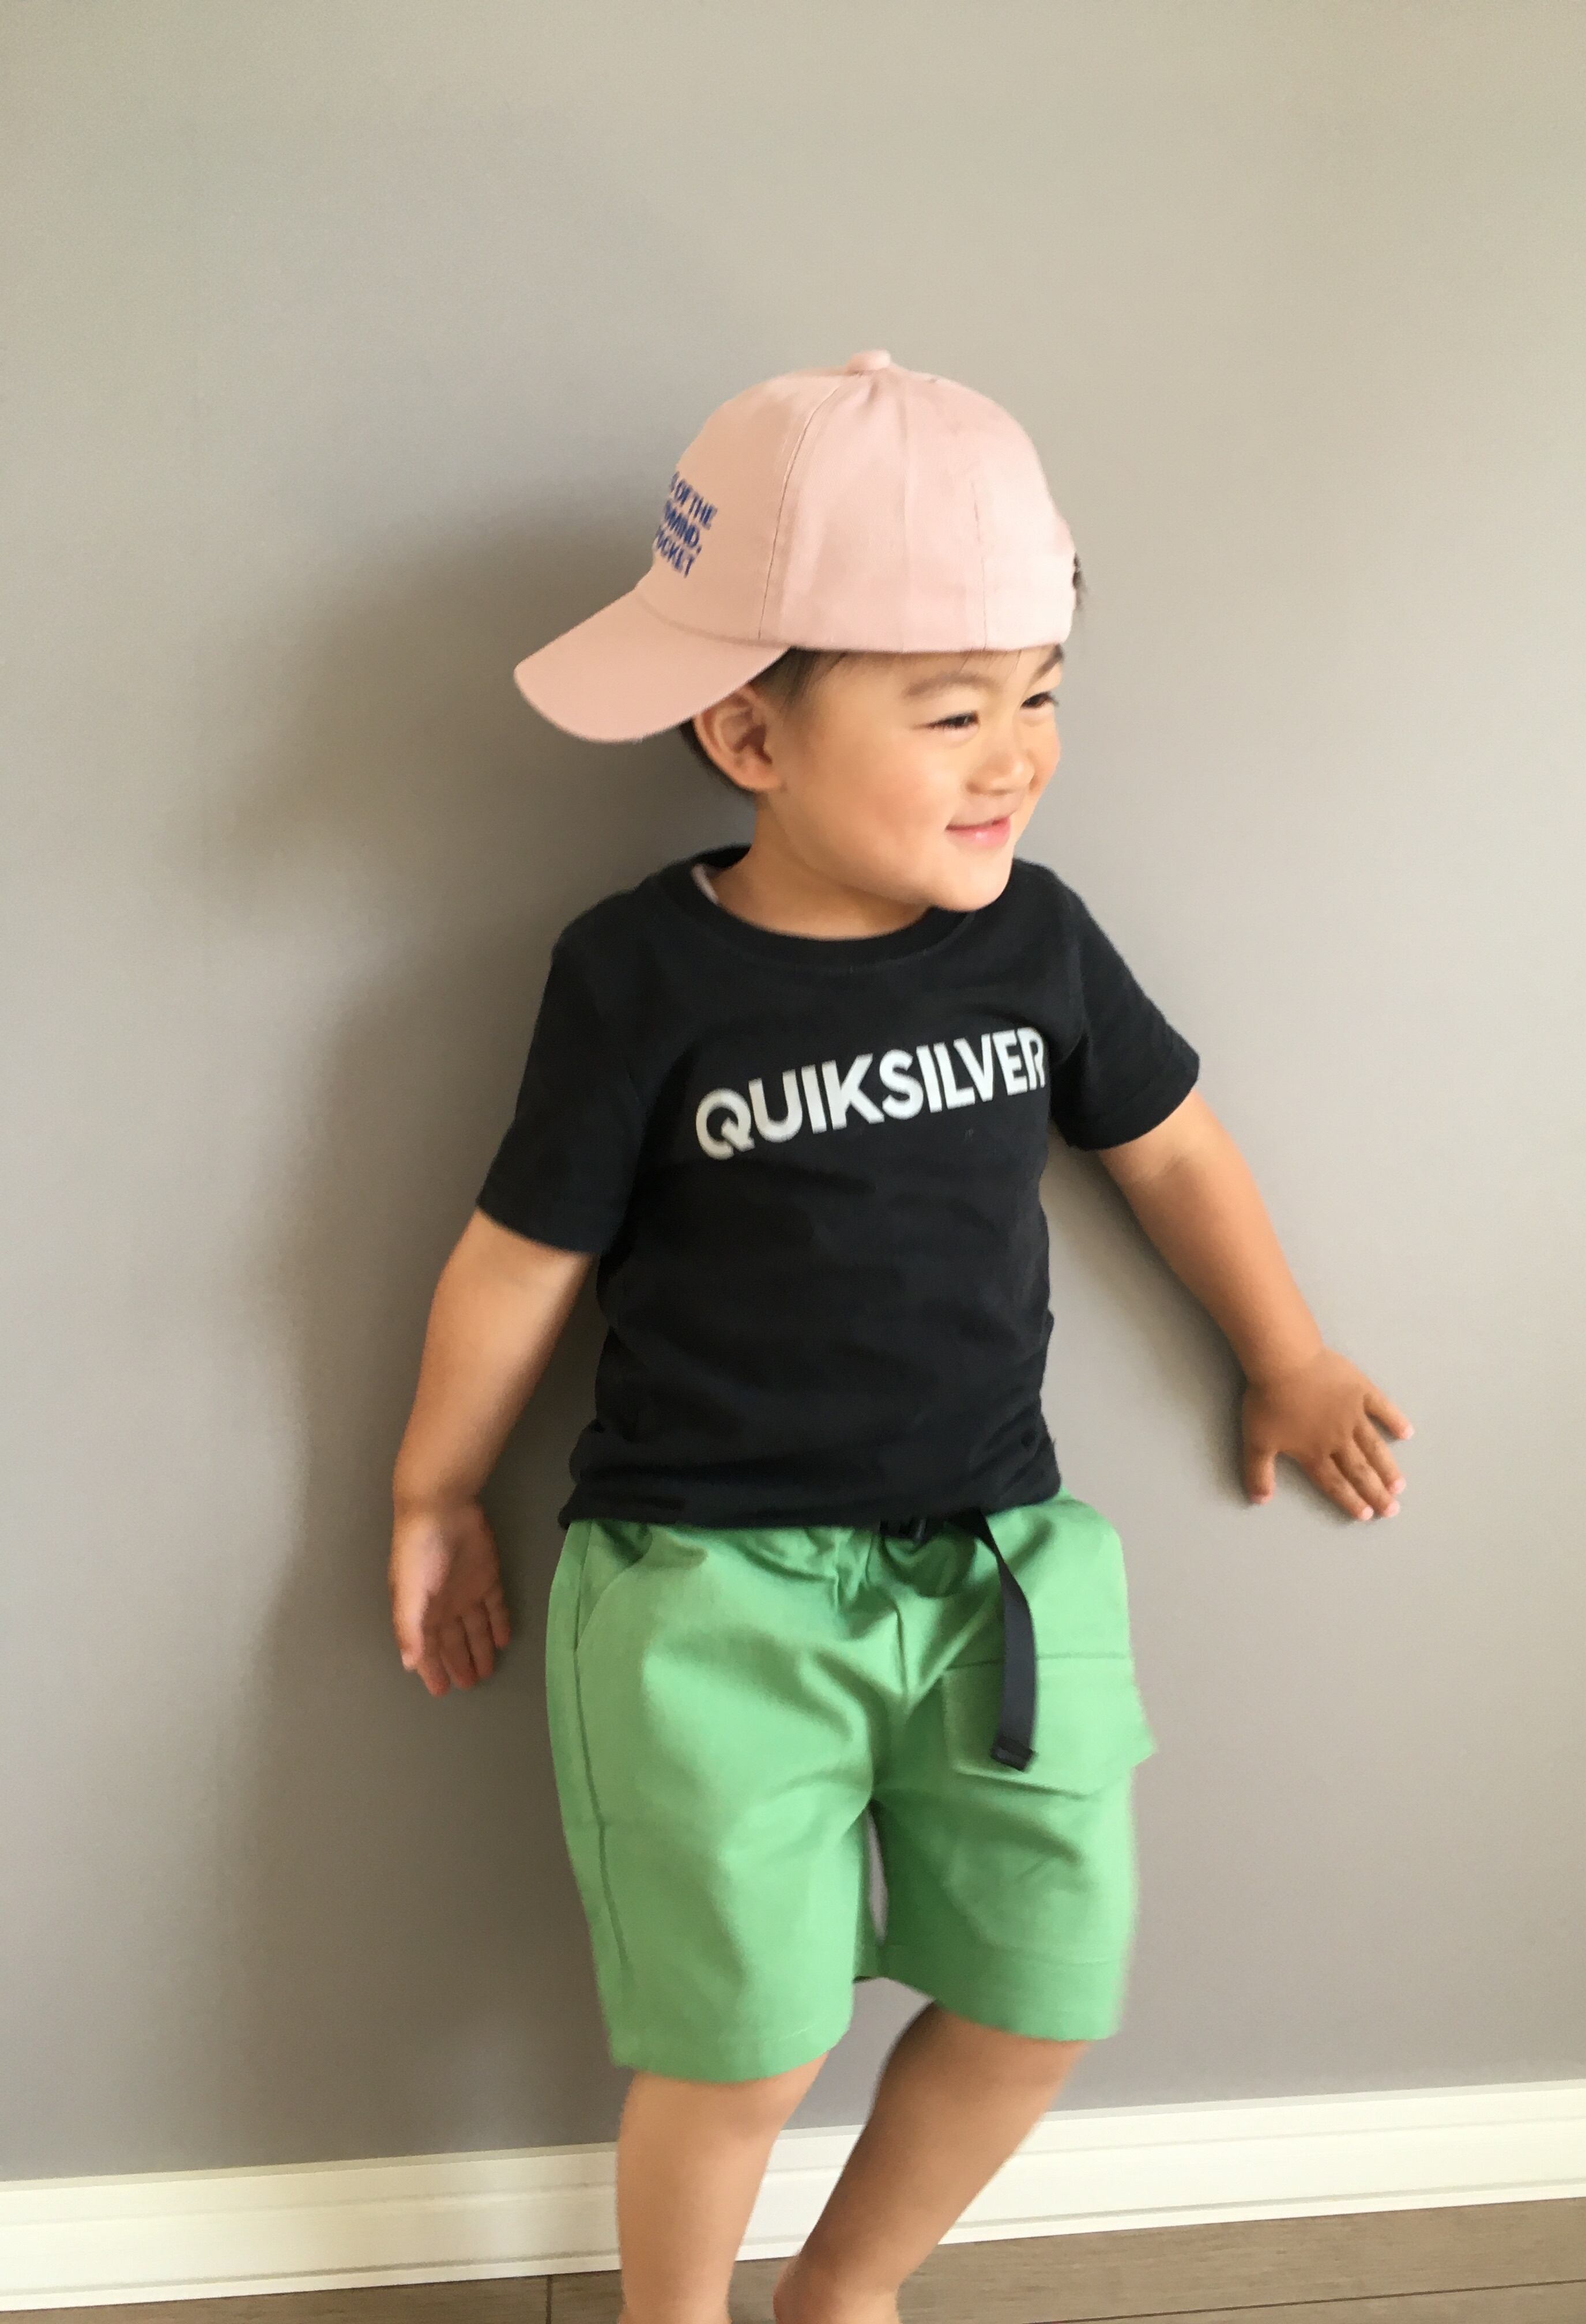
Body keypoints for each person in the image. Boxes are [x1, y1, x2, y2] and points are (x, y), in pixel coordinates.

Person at [387, 350, 1411, 2324]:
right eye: (952, 711)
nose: (1015, 755)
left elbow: (1173, 1152)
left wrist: (1285, 1355)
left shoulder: (1038, 941)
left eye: (1040, 695)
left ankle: (842, 2293)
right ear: (748, 733)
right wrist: (435, 1489)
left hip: (998, 1573)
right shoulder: (639, 972)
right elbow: (518, 1258)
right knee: (740, 2041)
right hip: (706, 1595)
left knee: (1044, 1990)